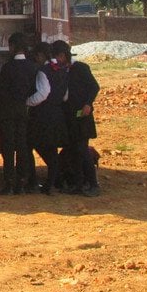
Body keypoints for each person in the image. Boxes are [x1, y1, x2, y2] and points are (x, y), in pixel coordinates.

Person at [52, 40, 101, 197]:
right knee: (74, 150)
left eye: (58, 57)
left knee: (82, 150)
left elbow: (94, 87)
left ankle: (93, 184)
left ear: (63, 55)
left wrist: (88, 103)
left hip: (82, 115)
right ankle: (78, 184)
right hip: (69, 116)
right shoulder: (61, 70)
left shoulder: (80, 68)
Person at [0, 32, 39, 194]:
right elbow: (34, 89)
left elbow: (0, 89)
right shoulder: (32, 67)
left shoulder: (8, 67)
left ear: (12, 47)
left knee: (8, 147)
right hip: (23, 109)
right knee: (22, 145)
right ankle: (21, 181)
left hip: (7, 110)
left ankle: (8, 182)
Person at [26, 41, 69, 195]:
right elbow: (65, 96)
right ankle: (53, 181)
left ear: (41, 55)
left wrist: (28, 102)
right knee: (51, 150)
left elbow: (43, 94)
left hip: (43, 115)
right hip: (57, 113)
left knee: (32, 145)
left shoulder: (43, 71)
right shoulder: (62, 70)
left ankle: (36, 181)